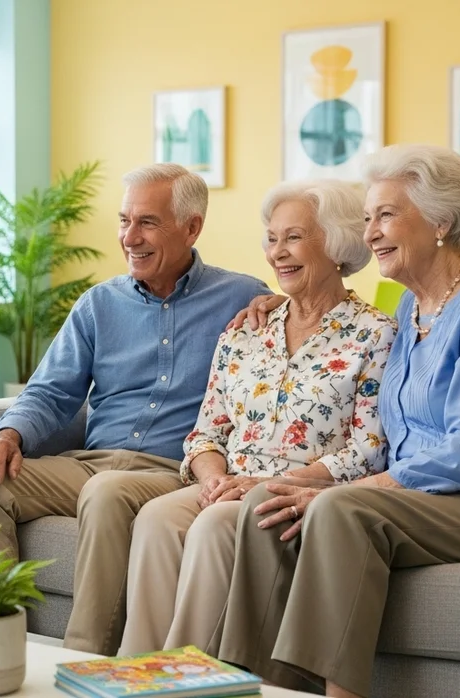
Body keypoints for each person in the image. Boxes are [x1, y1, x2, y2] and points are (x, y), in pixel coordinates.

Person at [217, 144, 460, 698]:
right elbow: (334, 324)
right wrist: (275, 301)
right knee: (266, 503)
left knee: (342, 508)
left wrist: (356, 488)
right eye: (368, 218)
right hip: (427, 497)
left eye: (386, 215)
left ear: (440, 220)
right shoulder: (409, 307)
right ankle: (251, 686)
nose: (369, 234)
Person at [0, 163, 270, 655]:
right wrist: (8, 436)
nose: (129, 237)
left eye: (147, 222)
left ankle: (85, 661)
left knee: (106, 492)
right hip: (92, 463)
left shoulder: (244, 297)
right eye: (124, 221)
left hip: (176, 470)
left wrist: (279, 311)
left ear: (192, 227)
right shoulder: (99, 304)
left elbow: (301, 342)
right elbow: (51, 391)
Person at [118, 180, 396, 656]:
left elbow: (370, 448)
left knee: (211, 526)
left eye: (293, 238)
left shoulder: (375, 333)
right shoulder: (245, 331)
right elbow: (206, 432)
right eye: (271, 238)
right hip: (229, 485)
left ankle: (186, 678)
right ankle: (136, 669)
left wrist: (269, 483)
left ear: (336, 244)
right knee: (158, 516)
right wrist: (213, 479)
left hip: (301, 493)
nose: (277, 253)